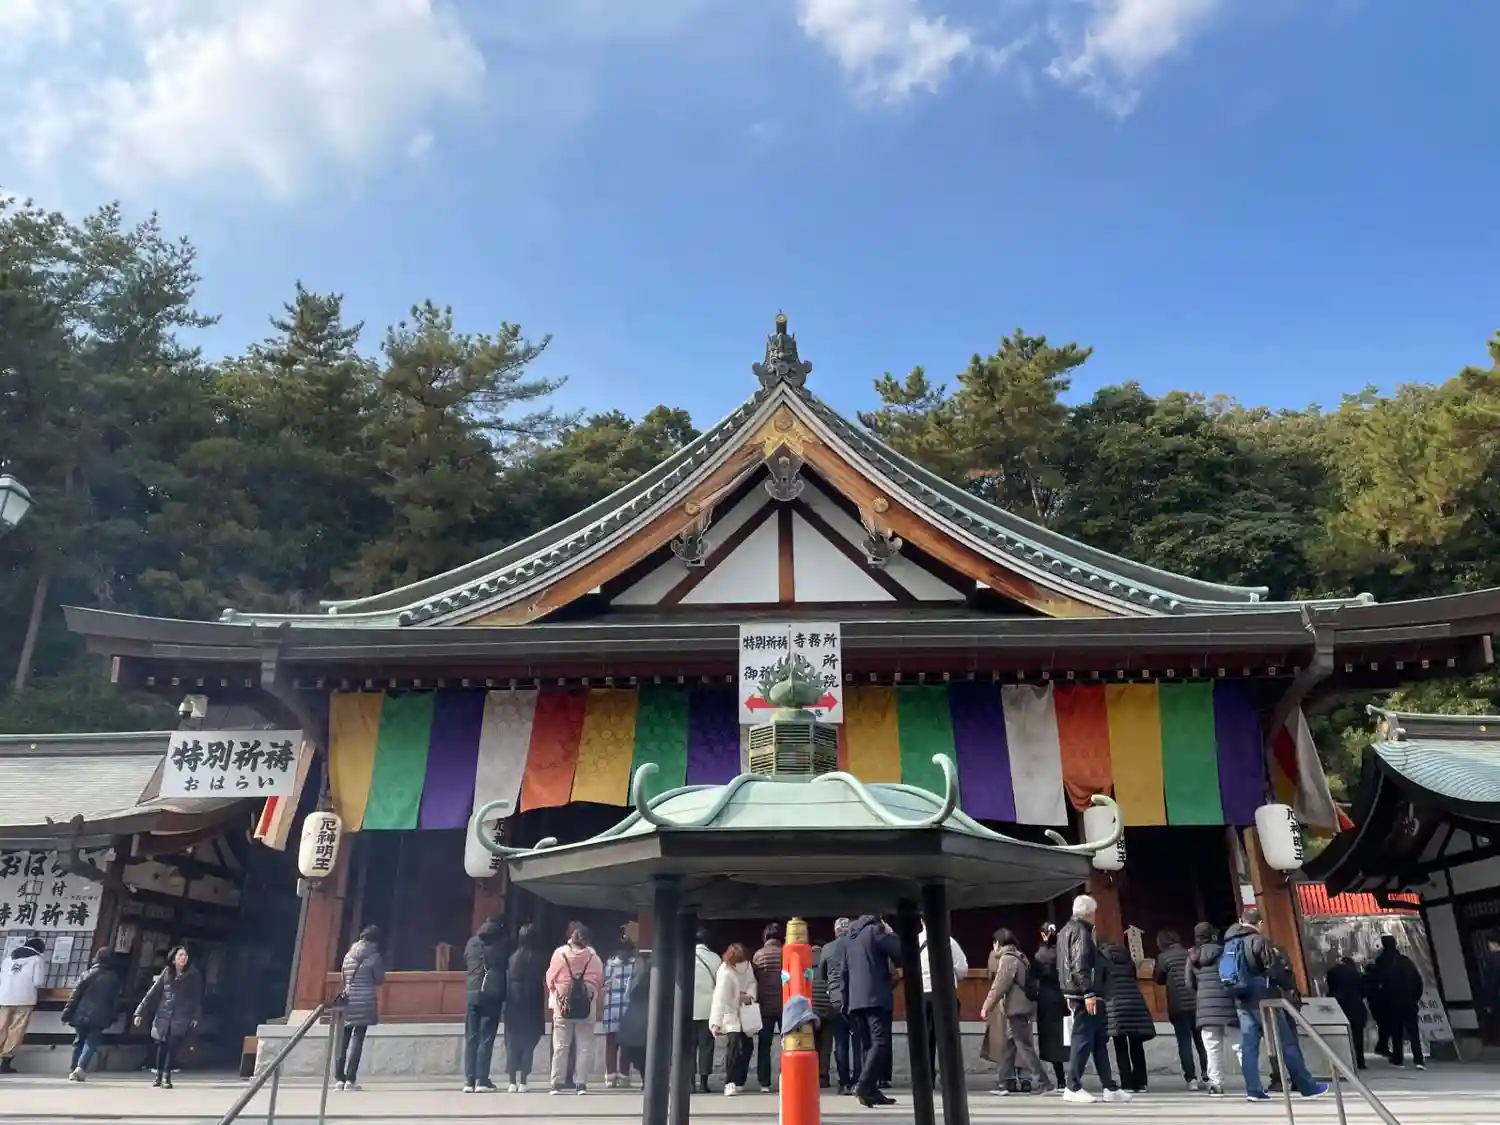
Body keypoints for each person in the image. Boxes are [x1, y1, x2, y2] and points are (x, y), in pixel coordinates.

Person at [1221, 909, 1327, 1102]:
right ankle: (1307, 1086)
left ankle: (1253, 1090)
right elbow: (1275, 970)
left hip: (1241, 999)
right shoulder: (1259, 941)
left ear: (1241, 922)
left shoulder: (1230, 943)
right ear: (1259, 923)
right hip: (1265, 999)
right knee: (1286, 1042)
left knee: (1249, 1046)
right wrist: (1287, 987)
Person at [1056, 894, 1128, 1105]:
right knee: (1083, 1038)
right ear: (1088, 913)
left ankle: (1110, 1087)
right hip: (1083, 994)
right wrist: (1088, 992)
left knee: (1097, 1041)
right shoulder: (1081, 931)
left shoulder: (1064, 931)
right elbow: (1080, 964)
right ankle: (1072, 1086)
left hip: (1074, 990)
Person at [842, 913, 901, 1108]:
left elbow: (843, 972)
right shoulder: (875, 931)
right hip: (875, 997)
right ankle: (864, 1085)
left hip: (855, 1000)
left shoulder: (849, 939)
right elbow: (900, 953)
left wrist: (845, 1003)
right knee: (880, 1042)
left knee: (868, 1045)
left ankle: (872, 1090)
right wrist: (891, 933)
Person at [981, 929, 1041, 1096]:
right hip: (1022, 1006)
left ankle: (1043, 1082)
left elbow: (999, 984)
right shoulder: (1021, 956)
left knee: (1023, 1046)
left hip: (1014, 1008)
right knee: (1011, 1044)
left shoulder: (1006, 959)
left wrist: (986, 1006)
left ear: (998, 943)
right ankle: (1004, 1080)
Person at [133, 946, 203, 1089]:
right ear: (173, 959)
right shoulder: (166, 972)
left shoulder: (193, 975)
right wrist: (140, 1012)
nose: (183, 958)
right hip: (164, 1014)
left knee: (172, 1046)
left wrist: (196, 1016)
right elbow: (153, 992)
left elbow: (197, 997)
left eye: (185, 955)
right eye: (180, 955)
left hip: (181, 1015)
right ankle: (158, 1076)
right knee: (161, 1046)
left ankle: (167, 1077)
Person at [546, 922, 603, 1095]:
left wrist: (558, 991)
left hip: (562, 1005)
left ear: (570, 937)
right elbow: (600, 980)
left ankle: (557, 1083)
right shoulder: (594, 957)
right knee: (584, 1045)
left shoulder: (559, 954)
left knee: (561, 1045)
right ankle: (581, 1084)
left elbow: (550, 979)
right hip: (586, 1005)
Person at [1099, 937, 1154, 1092]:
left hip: (1115, 1003)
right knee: (1136, 1044)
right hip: (1134, 1001)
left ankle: (1127, 1083)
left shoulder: (1102, 959)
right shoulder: (1127, 957)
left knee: (1120, 1044)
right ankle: (1141, 1082)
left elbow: (1100, 982)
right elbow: (1134, 977)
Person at [332, 926, 383, 1092]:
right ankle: (350, 1079)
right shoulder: (374, 957)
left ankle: (339, 1079)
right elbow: (380, 979)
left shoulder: (348, 955)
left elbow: (343, 977)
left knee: (342, 1040)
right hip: (365, 1001)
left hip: (348, 1001)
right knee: (358, 1039)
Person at [1185, 922, 1234, 1097]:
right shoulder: (1225, 951)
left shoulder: (1193, 955)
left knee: (1212, 1047)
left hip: (1205, 1006)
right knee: (1240, 1046)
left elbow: (1189, 983)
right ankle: (1253, 1083)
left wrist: (1202, 992)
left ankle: (1216, 1084)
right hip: (1228, 1003)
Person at [1154, 929, 1206, 1090]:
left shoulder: (1163, 957)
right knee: (1202, 1041)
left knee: (1184, 1042)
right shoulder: (1190, 953)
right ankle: (1207, 1075)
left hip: (1178, 1005)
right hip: (1197, 1003)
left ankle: (1191, 1079)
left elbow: (1159, 979)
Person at [919, 922, 969, 1081]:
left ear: (921, 921)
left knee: (925, 1038)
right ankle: (949, 1076)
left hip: (923, 993)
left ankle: (927, 1077)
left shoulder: (916, 941)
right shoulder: (949, 941)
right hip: (944, 994)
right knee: (947, 1037)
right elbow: (962, 969)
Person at [62, 949, 122, 1081]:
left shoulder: (86, 974)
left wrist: (67, 1012)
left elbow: (75, 996)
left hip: (81, 1012)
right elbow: (115, 1000)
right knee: (91, 1042)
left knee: (78, 1040)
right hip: (100, 1014)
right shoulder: (112, 977)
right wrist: (114, 1016)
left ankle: (73, 1068)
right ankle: (81, 1067)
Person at [462, 915, 507, 1092]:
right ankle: (482, 1079)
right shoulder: (501, 944)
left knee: (471, 1037)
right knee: (486, 1037)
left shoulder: (472, 943)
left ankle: (469, 1080)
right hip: (491, 994)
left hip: (472, 993)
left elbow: (466, 960)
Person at [709, 942, 757, 1096]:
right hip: (729, 1013)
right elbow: (720, 999)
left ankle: (739, 1080)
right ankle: (730, 1082)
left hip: (744, 1011)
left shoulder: (746, 967)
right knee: (734, 1047)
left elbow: (752, 984)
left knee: (747, 1046)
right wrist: (716, 1022)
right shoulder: (725, 971)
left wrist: (749, 996)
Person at [503, 923, 547, 1092]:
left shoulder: (512, 958)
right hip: (532, 1003)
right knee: (528, 1043)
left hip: (514, 1002)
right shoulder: (538, 958)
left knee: (512, 1043)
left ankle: (511, 1081)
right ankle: (523, 1081)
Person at [1371, 935, 1425, 1069]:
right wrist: (1414, 998)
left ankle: (1398, 1059)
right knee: (1413, 1032)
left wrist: (1381, 1000)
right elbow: (1418, 982)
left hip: (1391, 1003)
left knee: (1396, 1032)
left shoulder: (1381, 962)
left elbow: (1376, 983)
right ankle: (1419, 1059)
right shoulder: (1406, 961)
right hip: (1409, 1003)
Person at [819, 917, 858, 1095]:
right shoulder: (856, 945)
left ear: (835, 931)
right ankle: (857, 1081)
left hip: (836, 999)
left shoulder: (827, 948)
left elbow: (821, 975)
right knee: (858, 1042)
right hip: (856, 997)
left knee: (841, 1043)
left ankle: (843, 1083)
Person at [602, 925, 642, 1088]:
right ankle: (624, 1076)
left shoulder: (608, 964)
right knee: (625, 1044)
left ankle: (610, 1076)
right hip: (628, 1007)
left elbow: (603, 983)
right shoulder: (634, 964)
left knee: (611, 1043)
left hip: (610, 1006)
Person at [0, 938, 47, 1074]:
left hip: (5, 997)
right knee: (16, 1029)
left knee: (2, 1027)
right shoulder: (37, 960)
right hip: (24, 999)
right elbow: (38, 981)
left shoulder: (8, 959)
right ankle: (6, 1060)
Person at [1031, 922, 1067, 1093]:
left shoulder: (1040, 955)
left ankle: (1060, 1078)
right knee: (1066, 1036)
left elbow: (1032, 979)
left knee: (1050, 1039)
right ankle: (1070, 1077)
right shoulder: (1063, 953)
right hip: (1063, 998)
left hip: (1046, 999)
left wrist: (1032, 996)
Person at [751, 922, 784, 1093]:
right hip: (784, 1004)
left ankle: (764, 1083)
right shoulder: (786, 953)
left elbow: (755, 979)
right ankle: (787, 1077)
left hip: (764, 1005)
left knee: (764, 1046)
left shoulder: (759, 955)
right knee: (788, 1043)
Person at [692, 929, 722, 1093]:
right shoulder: (715, 958)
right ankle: (703, 1082)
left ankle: (689, 1082)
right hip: (709, 1009)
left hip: (688, 1009)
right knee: (706, 1047)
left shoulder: (685, 957)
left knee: (688, 1048)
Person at [1325, 953, 1368, 1069]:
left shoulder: (1332, 973)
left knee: (1340, 1036)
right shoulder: (1357, 975)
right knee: (1357, 1037)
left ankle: (1343, 1062)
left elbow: (1331, 989)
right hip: (1356, 1008)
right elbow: (1363, 992)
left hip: (1339, 1008)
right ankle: (1359, 1062)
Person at [617, 954, 652, 1079]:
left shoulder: (637, 977)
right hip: (648, 1017)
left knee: (638, 1052)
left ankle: (645, 1078)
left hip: (636, 1017)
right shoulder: (655, 977)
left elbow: (628, 994)